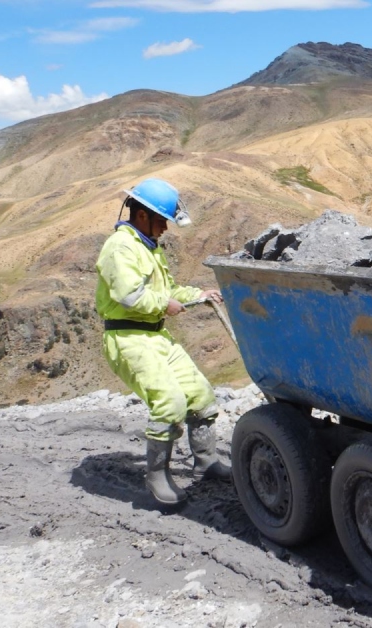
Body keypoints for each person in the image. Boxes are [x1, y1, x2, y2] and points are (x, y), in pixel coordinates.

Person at [95, 178, 230, 506]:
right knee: (170, 404)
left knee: (200, 395)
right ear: (143, 216)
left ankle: (206, 462)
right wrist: (163, 304)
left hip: (154, 335)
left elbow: (166, 290)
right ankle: (156, 476)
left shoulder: (147, 247)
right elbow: (129, 295)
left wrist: (198, 295)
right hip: (128, 337)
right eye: (162, 221)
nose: (166, 229)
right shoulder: (120, 247)